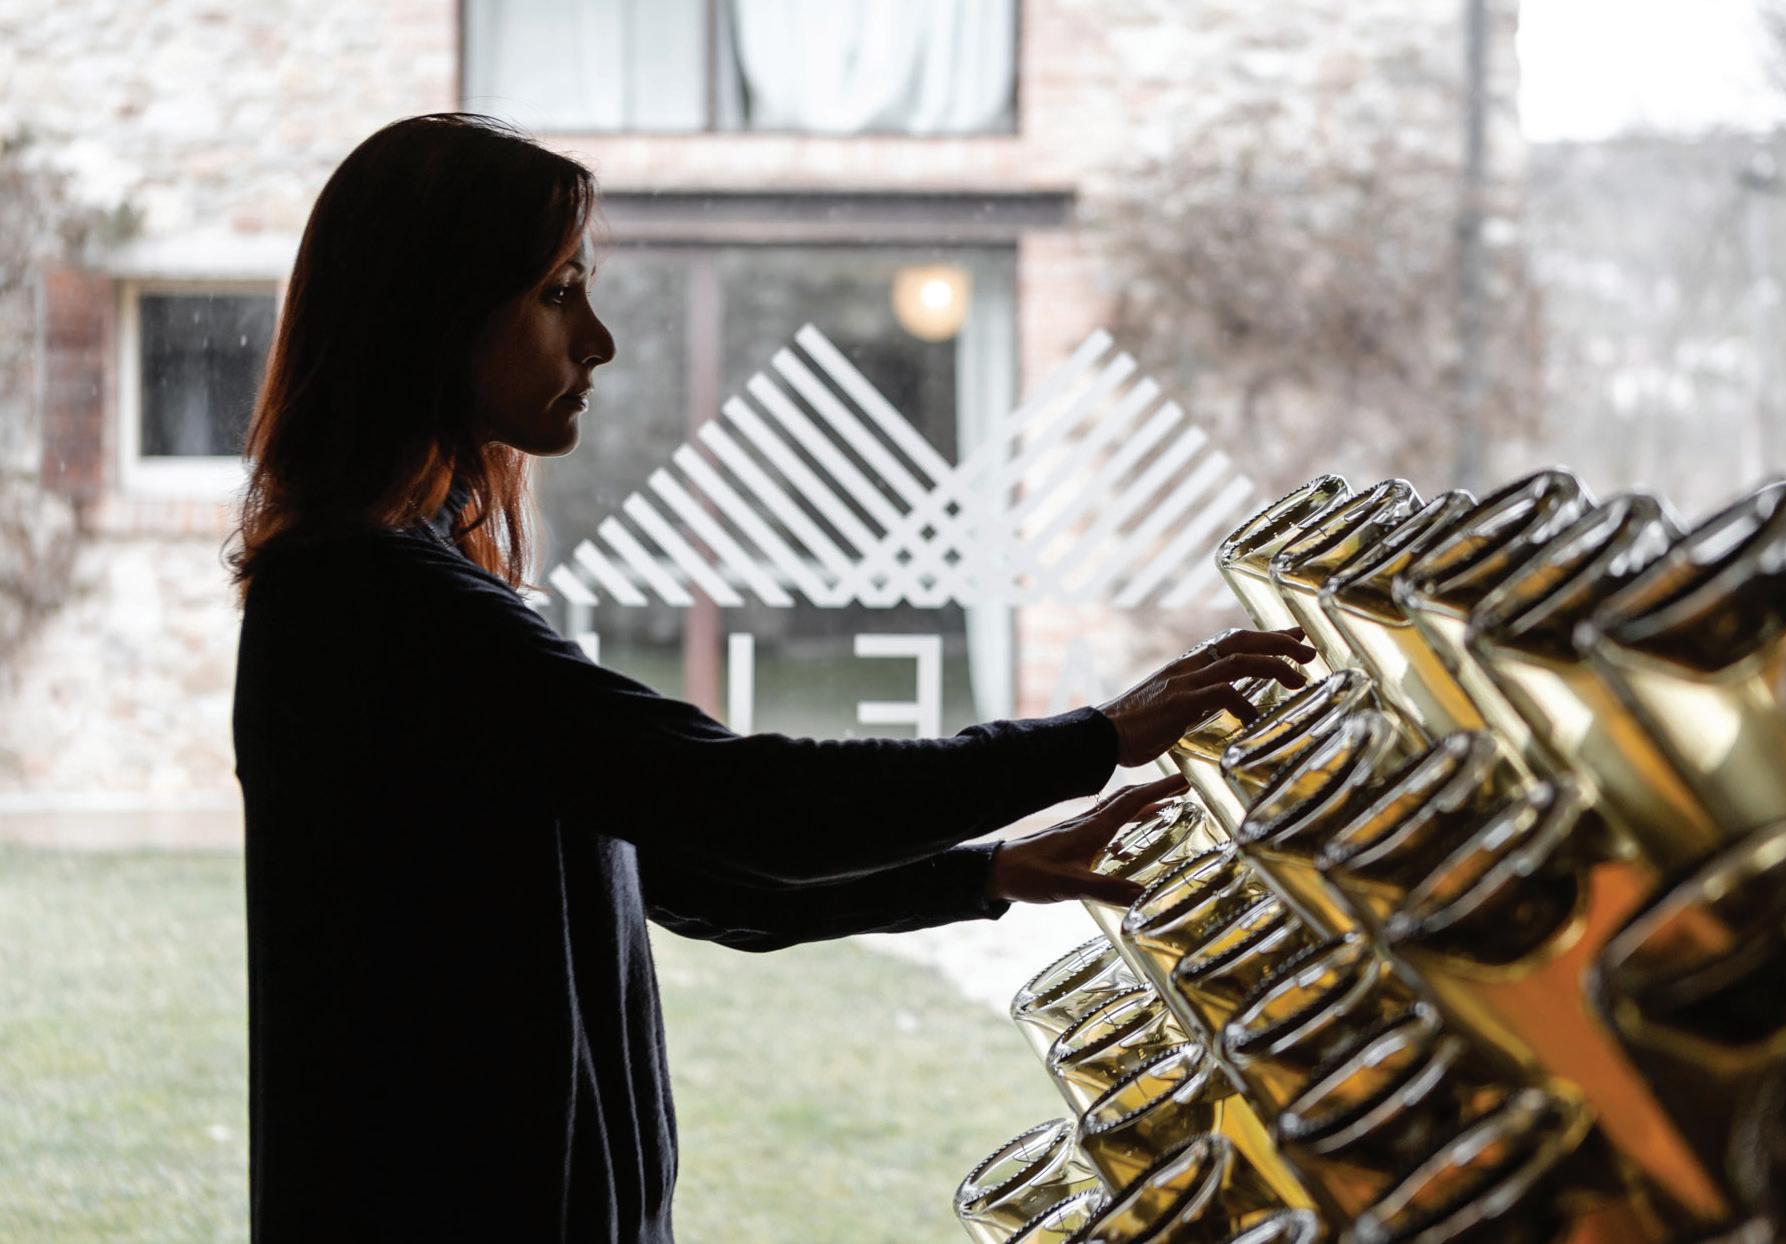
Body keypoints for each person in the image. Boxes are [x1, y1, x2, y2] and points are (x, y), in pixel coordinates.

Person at [226, 113, 1312, 1243]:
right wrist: (1099, 737)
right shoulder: (379, 603)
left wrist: (989, 870)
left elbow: (692, 868)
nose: (598, 341)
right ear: (433, 312)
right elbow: (749, 803)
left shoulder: (387, 583)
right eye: (556, 294)